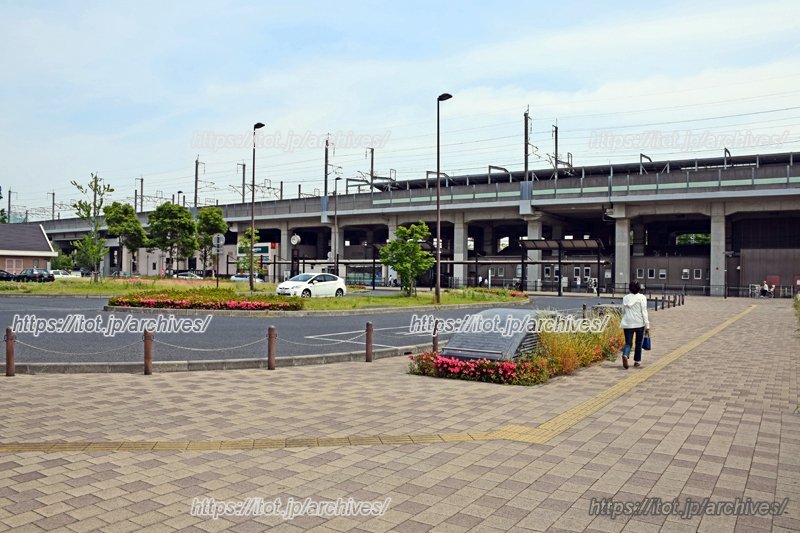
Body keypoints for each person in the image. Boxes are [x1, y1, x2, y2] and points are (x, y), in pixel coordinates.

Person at [620, 280, 650, 369]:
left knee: (628, 343)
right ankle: (637, 361)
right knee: (638, 343)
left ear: (629, 288)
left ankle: (625, 355)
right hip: (639, 323)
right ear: (639, 288)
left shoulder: (625, 298)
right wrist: (647, 325)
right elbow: (644, 312)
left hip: (628, 323)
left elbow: (623, 311)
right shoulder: (642, 297)